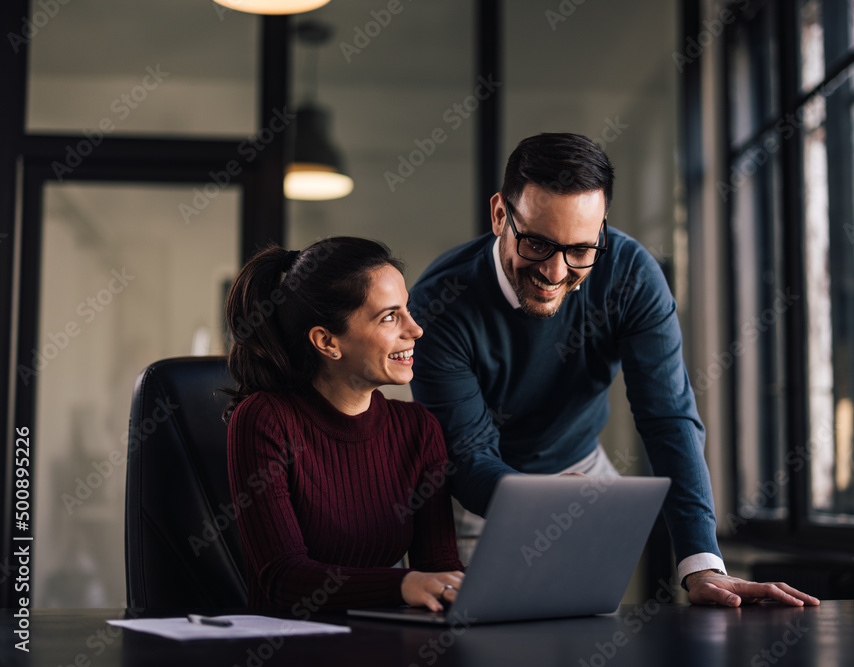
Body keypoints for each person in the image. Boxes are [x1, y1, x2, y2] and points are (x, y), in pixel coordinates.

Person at [408, 133, 818, 607]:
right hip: (479, 496)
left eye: (581, 250)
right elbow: (470, 455)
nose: (557, 273)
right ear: (501, 214)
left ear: (601, 228)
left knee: (585, 638)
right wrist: (540, 501)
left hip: (582, 472)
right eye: (538, 244)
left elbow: (668, 418)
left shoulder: (631, 275)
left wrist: (702, 561)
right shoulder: (437, 305)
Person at [225, 237, 463, 612]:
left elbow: (438, 568)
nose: (415, 329)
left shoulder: (419, 429)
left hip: (386, 646)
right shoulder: (264, 420)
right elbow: (282, 579)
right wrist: (402, 585)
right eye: (389, 316)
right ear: (327, 341)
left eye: (408, 309)